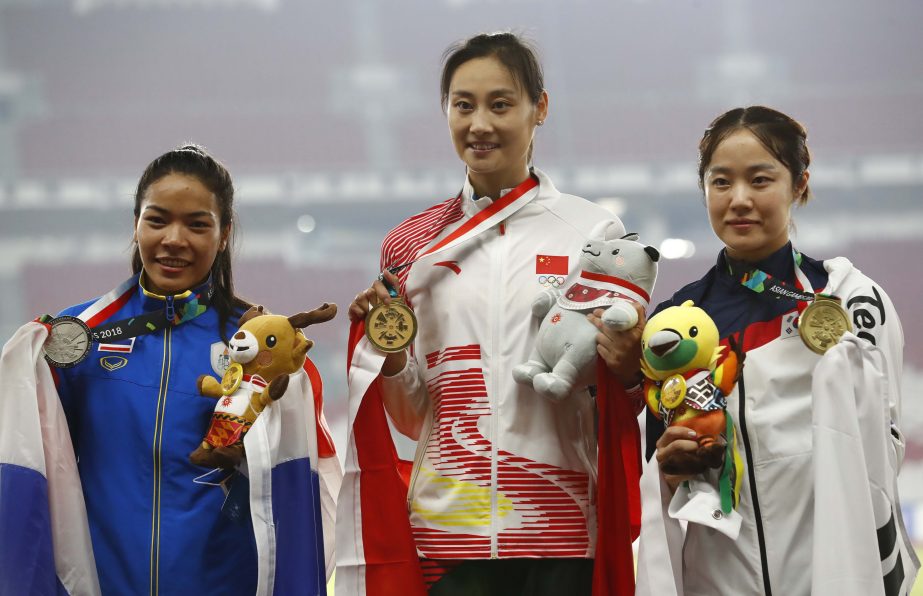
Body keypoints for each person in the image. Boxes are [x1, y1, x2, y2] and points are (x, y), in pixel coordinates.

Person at [339, 32, 641, 596]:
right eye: (463, 105)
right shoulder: (411, 245)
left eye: (500, 104)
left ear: (539, 108)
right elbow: (412, 417)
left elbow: (616, 396)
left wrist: (625, 371)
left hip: (562, 528)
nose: (480, 123)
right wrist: (393, 355)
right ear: (446, 111)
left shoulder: (593, 233)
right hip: (448, 531)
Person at [594, 106, 919, 595]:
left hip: (826, 571)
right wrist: (669, 459)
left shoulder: (849, 298)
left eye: (760, 180)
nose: (739, 199)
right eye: (721, 182)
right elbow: (656, 459)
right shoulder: (677, 321)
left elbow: (880, 449)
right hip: (718, 575)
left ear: (799, 185)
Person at [0, 145, 338, 595]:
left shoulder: (261, 350)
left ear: (224, 235)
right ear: (136, 224)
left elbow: (299, 501)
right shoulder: (71, 342)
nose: (174, 239)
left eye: (197, 224)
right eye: (157, 220)